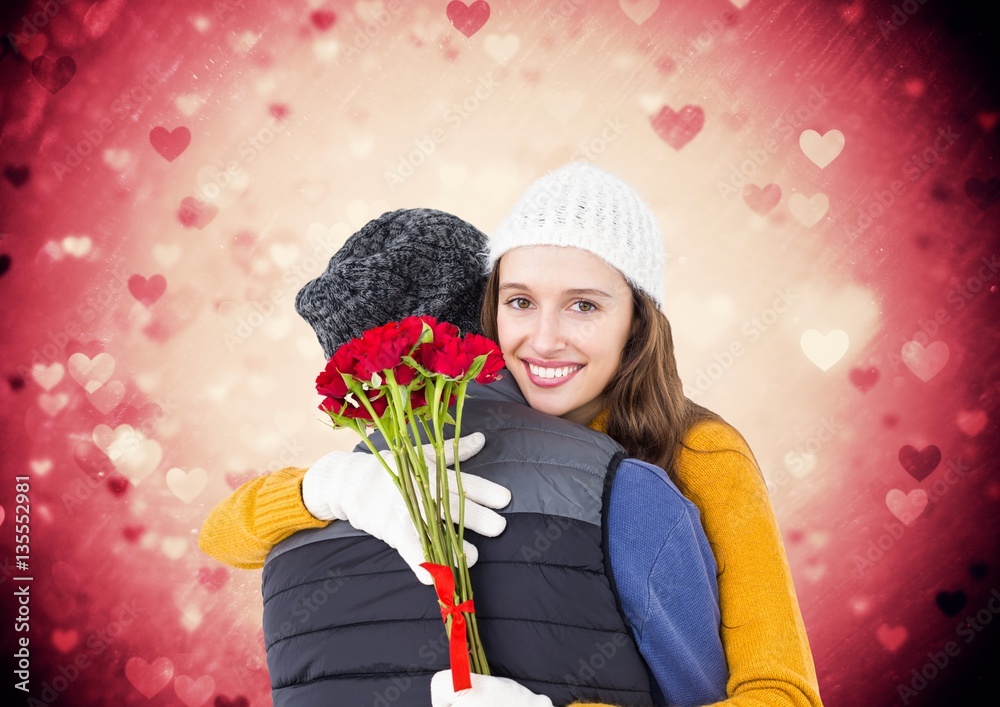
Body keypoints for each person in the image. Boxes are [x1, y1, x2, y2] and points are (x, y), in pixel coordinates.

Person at [202, 163, 825, 706]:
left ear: (639, 322)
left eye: (585, 305)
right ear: (487, 310)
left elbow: (782, 694)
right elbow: (221, 536)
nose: (545, 339)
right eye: (521, 302)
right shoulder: (456, 443)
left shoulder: (698, 454)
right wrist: (326, 488)